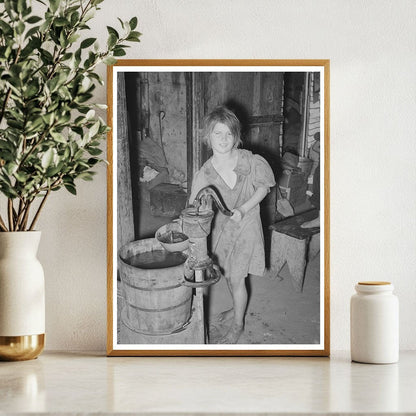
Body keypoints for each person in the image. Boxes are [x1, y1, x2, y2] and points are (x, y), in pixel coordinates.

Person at [189, 106, 276, 343]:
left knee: (237, 278)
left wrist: (243, 209)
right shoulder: (205, 173)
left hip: (246, 225)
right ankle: (236, 310)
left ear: (236, 136)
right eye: (218, 133)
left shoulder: (249, 160)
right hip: (223, 231)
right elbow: (194, 206)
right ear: (208, 137)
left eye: (229, 134)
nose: (224, 139)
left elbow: (264, 187)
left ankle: (238, 324)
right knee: (228, 275)